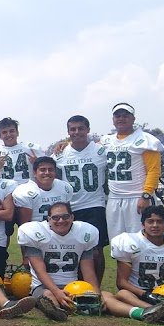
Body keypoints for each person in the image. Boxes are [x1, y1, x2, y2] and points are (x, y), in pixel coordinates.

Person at [19, 201, 164, 324]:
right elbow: (40, 271)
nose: (61, 220)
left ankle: (144, 313)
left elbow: (88, 271)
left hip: (74, 286)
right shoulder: (36, 234)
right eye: (55, 217)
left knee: (105, 295)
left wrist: (96, 293)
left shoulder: (84, 233)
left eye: (65, 216)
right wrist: (56, 292)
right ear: (48, 220)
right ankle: (56, 311)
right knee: (47, 296)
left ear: (72, 217)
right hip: (44, 286)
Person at [100, 102, 164, 240]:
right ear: (113, 119)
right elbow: (86, 150)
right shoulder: (106, 141)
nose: (121, 119)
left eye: (125, 116)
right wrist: (65, 144)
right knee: (117, 243)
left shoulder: (145, 140)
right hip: (114, 198)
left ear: (133, 119)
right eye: (118, 116)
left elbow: (154, 170)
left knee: (141, 241)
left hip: (137, 197)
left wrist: (146, 195)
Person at [56, 114, 109, 280]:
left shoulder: (101, 151)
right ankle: (77, 285)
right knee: (72, 248)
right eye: (73, 129)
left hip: (95, 205)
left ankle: (96, 288)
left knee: (96, 250)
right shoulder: (61, 153)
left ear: (88, 130)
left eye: (80, 128)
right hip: (71, 208)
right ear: (68, 131)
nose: (76, 132)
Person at [13, 156, 75, 226]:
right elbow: (25, 225)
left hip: (59, 230)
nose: (47, 172)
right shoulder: (25, 191)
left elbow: (67, 216)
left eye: (51, 169)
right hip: (36, 232)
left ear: (55, 172)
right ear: (35, 173)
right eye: (43, 170)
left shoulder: (64, 187)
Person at [0, 117, 39, 185]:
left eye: (11, 131)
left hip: (29, 189)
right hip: (6, 191)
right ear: (0, 136)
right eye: (4, 132)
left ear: (17, 133)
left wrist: (38, 163)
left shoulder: (31, 148)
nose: (8, 134)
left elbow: (46, 171)